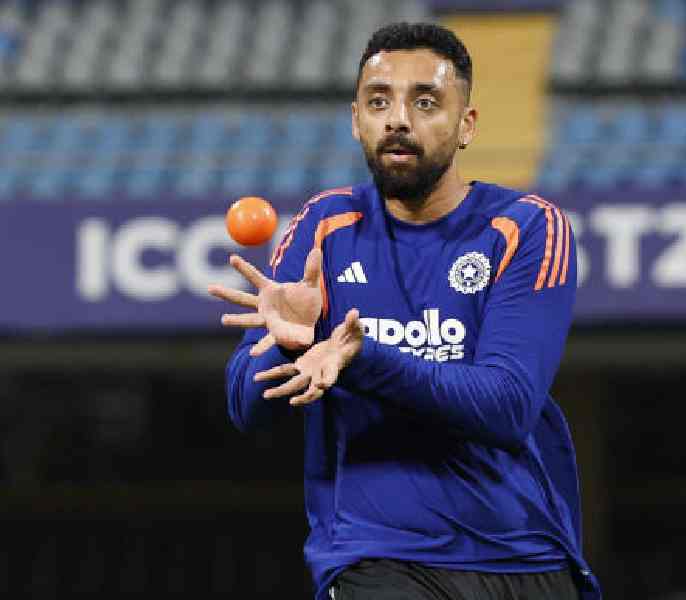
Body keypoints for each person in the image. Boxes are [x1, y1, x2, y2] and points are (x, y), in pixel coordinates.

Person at [209, 22, 601, 600]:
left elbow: (508, 405)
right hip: (380, 557)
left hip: (525, 556)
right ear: (355, 120)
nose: (398, 118)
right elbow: (246, 406)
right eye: (378, 101)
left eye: (425, 101)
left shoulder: (526, 227)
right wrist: (293, 344)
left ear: (466, 125)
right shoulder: (326, 226)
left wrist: (359, 357)